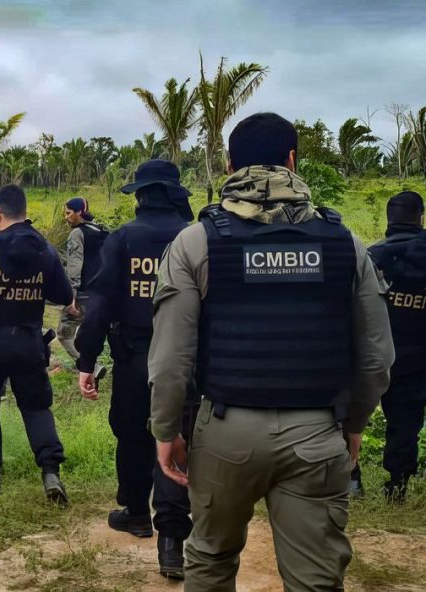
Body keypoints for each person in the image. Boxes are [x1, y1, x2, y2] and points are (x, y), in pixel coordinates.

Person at [149, 112, 394, 591]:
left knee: (211, 560)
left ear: (227, 165)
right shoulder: (345, 244)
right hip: (317, 431)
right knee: (316, 579)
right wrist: (355, 425)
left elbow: (172, 358)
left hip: (224, 434)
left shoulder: (197, 241)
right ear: (292, 161)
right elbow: (376, 358)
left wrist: (164, 430)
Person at [75, 159, 194, 580]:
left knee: (131, 433)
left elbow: (100, 305)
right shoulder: (195, 237)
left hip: (134, 356)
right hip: (188, 360)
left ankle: (137, 511)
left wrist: (85, 360)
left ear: (141, 195)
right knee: (177, 437)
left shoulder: (123, 238)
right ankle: (174, 538)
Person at [0, 184, 74, 504]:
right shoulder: (46, 251)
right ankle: (50, 471)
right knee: (36, 407)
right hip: (29, 342)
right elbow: (64, 296)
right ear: (24, 212)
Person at [366, 191, 426, 503]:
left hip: (375, 353)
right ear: (420, 216)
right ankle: (397, 486)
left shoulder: (373, 255)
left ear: (390, 219)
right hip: (417, 357)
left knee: (351, 416)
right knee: (405, 423)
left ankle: (352, 481)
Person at [57, 197, 108, 381]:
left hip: (83, 293)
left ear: (79, 212)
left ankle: (91, 367)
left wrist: (71, 296)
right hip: (101, 294)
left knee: (64, 332)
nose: (66, 217)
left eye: (69, 213)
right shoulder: (102, 231)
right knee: (94, 332)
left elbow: (74, 266)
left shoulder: (77, 234)